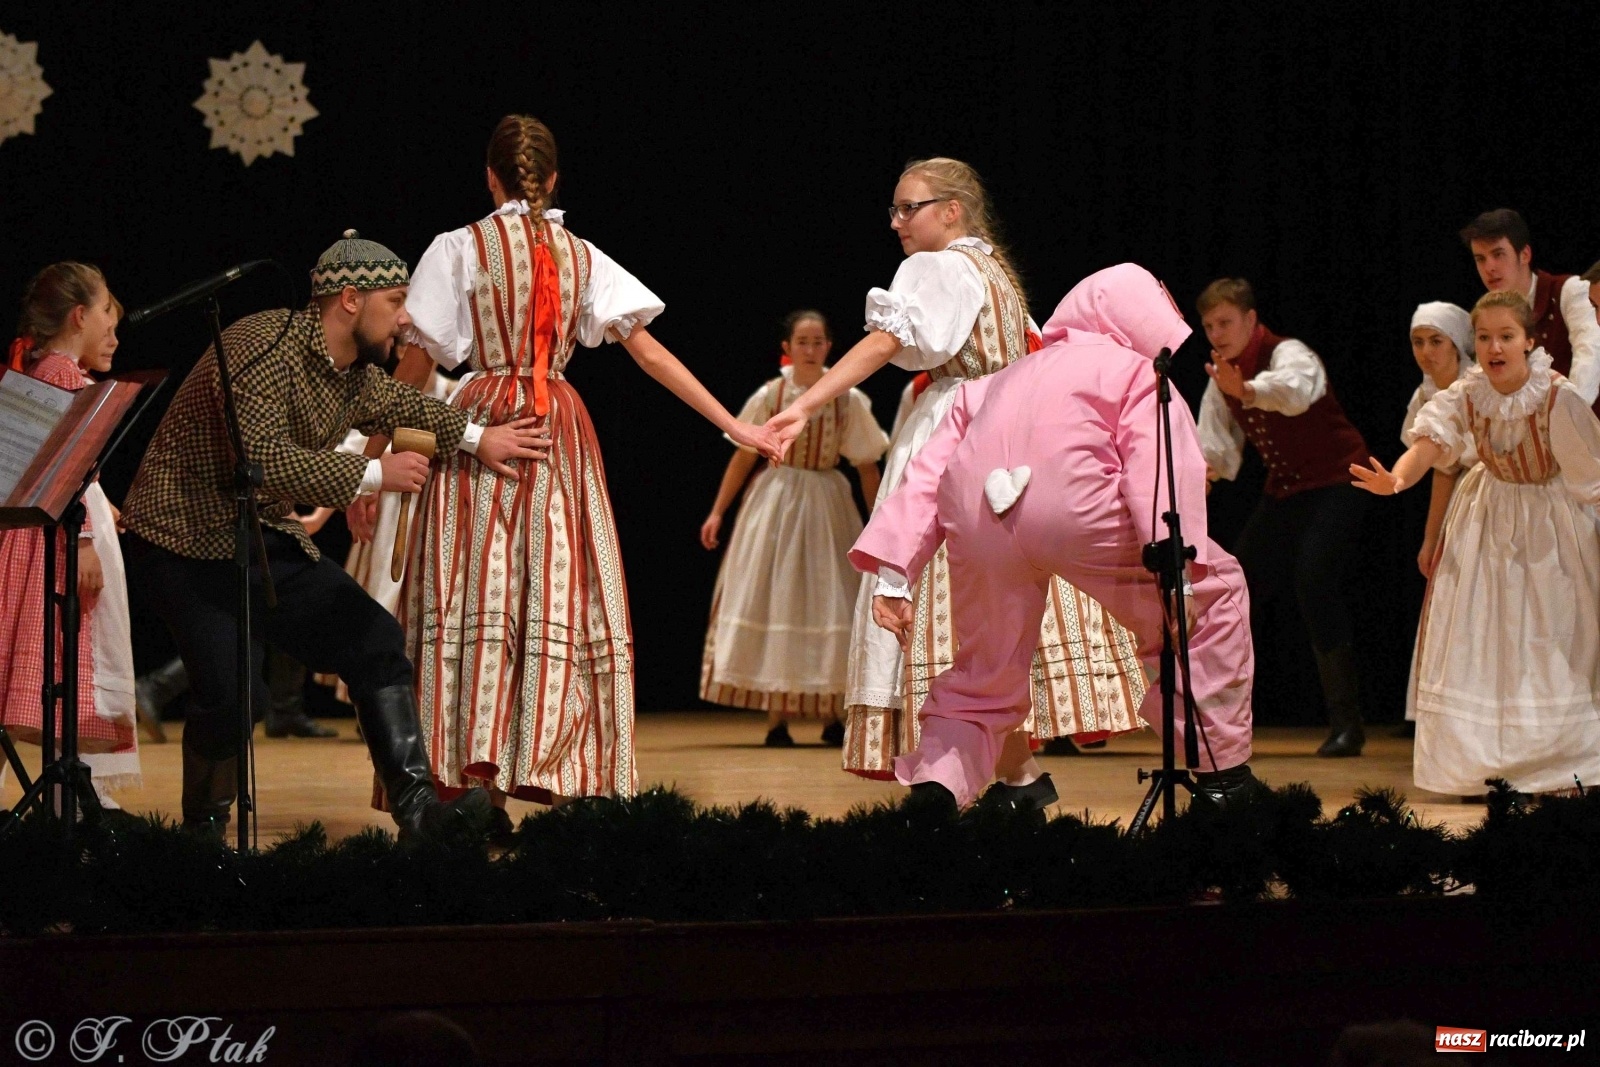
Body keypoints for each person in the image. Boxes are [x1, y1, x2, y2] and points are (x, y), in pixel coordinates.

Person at [396, 115, 779, 823]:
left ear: (489, 178)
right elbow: (650, 353)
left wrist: (379, 462)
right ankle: (535, 766)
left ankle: (474, 782)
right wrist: (733, 424)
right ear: (553, 181)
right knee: (550, 594)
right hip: (555, 428)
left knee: (480, 591)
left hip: (484, 419)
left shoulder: (460, 248)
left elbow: (415, 370)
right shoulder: (580, 253)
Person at [120, 230, 547, 840]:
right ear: (351, 298)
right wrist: (376, 473)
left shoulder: (350, 374)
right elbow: (263, 459)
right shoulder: (260, 344)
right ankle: (201, 844)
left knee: (373, 637)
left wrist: (482, 440)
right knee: (234, 694)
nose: (406, 319)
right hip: (181, 535)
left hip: (254, 530)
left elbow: (409, 405)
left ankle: (422, 813)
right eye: (397, 301)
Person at [765, 157, 1145, 789]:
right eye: (893, 210)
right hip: (1012, 432)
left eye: (908, 208)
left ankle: (979, 785)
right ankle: (1017, 783)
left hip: (958, 431)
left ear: (952, 210)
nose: (897, 223)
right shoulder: (995, 270)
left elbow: (886, 342)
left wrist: (804, 404)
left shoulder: (937, 265)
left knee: (943, 597)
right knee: (997, 602)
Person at [853, 264, 1258, 810]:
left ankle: (937, 792)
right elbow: (1160, 464)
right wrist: (1177, 567)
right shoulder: (1133, 373)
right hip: (1073, 511)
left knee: (983, 663)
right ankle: (1222, 777)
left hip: (980, 517)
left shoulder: (996, 381)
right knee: (1213, 602)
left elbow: (927, 475)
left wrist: (895, 574)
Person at [1351, 290, 1600, 799]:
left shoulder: (1557, 395)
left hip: (1548, 524)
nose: (1494, 347)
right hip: (1487, 519)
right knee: (1481, 639)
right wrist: (1397, 480)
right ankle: (1480, 765)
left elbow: (1590, 476)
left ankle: (1561, 763)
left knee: (1548, 639)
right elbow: (1429, 442)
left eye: (1506, 336)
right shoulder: (1468, 392)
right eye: (1484, 337)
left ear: (1529, 340)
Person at [1196, 278, 1371, 757]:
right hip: (1289, 489)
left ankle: (1347, 724)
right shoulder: (1223, 376)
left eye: (1226, 322)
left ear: (1251, 320)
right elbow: (1216, 444)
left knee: (1314, 578)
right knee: (1234, 585)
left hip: (1340, 479)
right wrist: (1202, 474)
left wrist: (1249, 389)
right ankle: (1220, 717)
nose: (1217, 333)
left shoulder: (1287, 352)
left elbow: (1296, 392)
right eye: (1209, 325)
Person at [698, 310, 889, 746]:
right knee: (776, 598)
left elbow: (866, 465)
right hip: (778, 502)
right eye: (801, 341)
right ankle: (776, 719)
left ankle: (833, 714)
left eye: (817, 341)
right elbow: (744, 455)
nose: (809, 348)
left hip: (827, 503)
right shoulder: (772, 394)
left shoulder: (848, 400)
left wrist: (881, 520)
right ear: (787, 348)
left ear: (829, 347)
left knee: (831, 602)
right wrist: (717, 512)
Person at [0, 262, 141, 807]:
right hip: (60, 538)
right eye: (108, 314)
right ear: (79, 315)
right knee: (71, 656)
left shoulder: (40, 369)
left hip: (53, 528)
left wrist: (105, 504)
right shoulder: (62, 374)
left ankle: (74, 796)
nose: (114, 330)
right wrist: (83, 541)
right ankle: (81, 800)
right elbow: (64, 464)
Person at [1394, 302, 1476, 739]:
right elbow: (1441, 473)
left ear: (1457, 342)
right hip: (1461, 503)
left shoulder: (1473, 386)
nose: (1426, 351)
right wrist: (1430, 539)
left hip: (1488, 498)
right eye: (1417, 341)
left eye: (1436, 341)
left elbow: (1449, 470)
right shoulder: (1426, 395)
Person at [1460, 208, 1600, 412]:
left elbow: (1591, 356)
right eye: (1480, 259)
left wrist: (1565, 418)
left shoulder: (1567, 291)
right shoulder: (1488, 315)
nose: (1489, 267)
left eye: (1498, 254)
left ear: (1524, 254)